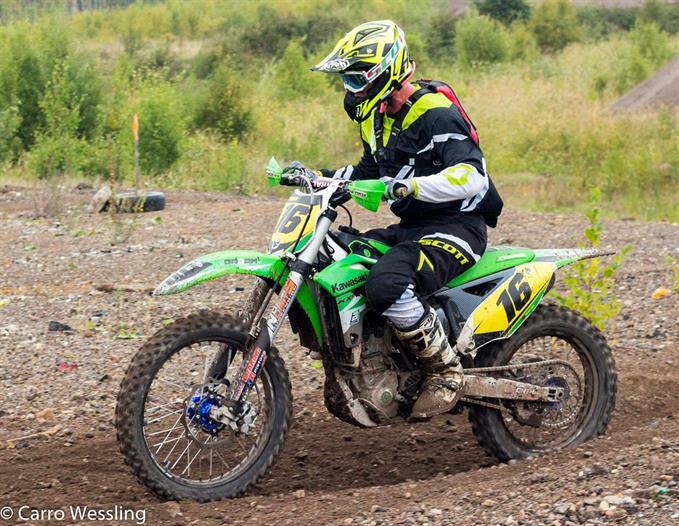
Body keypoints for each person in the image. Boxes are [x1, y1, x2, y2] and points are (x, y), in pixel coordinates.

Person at [285, 20, 503, 418]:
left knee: (386, 283)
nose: (350, 90)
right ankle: (374, 361)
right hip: (412, 228)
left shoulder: (435, 113)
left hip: (457, 229)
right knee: (336, 255)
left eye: (356, 80)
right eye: (347, 81)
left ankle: (446, 370)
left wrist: (407, 188)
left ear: (384, 73)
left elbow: (473, 176)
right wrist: (318, 178)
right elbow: (367, 172)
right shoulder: (378, 118)